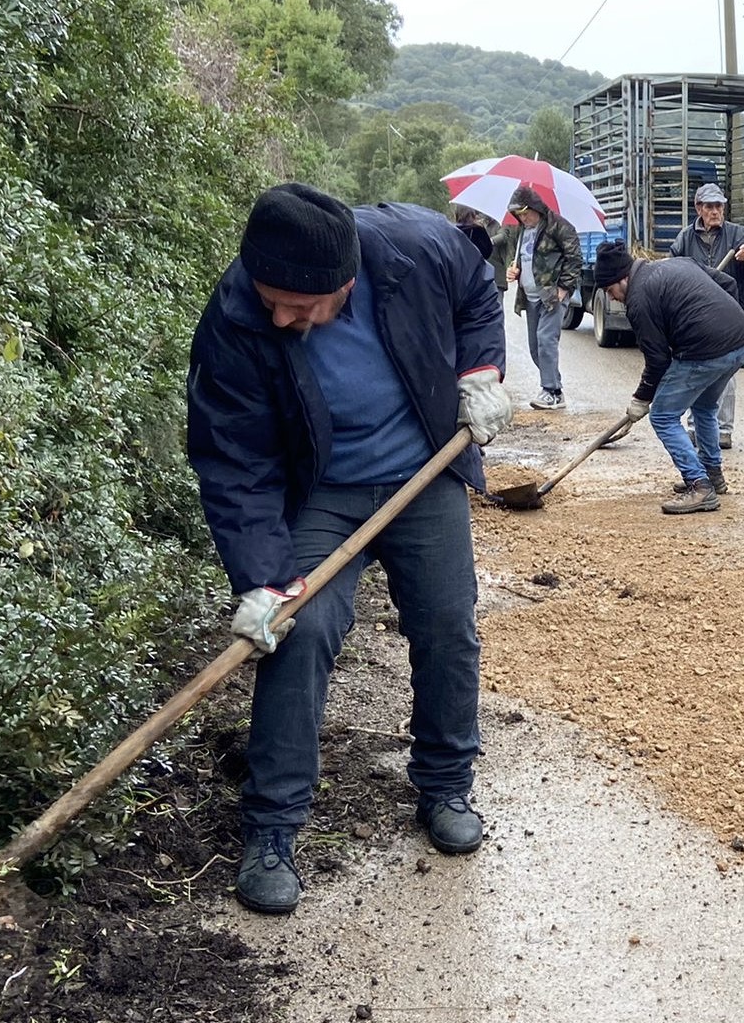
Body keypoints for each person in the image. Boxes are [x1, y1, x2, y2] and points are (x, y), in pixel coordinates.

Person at [186, 183, 515, 914]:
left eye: (300, 308)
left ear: (346, 282)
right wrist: (263, 579)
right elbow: (233, 458)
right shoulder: (239, 315)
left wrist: (479, 372)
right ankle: (272, 827)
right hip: (322, 494)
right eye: (272, 301)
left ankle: (444, 784)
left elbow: (477, 291)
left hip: (421, 471)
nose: (281, 317)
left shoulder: (416, 248)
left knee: (446, 625)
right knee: (295, 638)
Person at [593, 240, 744, 514]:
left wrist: (641, 399)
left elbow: (657, 360)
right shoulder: (678, 263)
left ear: (623, 278)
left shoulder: (638, 300)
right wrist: (723, 320)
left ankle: (699, 485)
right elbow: (728, 284)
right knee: (704, 406)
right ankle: (712, 474)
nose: (611, 298)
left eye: (610, 290)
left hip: (707, 350)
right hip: (739, 341)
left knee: (663, 417)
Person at [669, 183, 744, 449]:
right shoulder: (684, 239)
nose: (715, 211)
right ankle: (695, 427)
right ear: (699, 209)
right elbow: (671, 268)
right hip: (695, 316)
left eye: (719, 206)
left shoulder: (738, 234)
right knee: (697, 370)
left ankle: (723, 430)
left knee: (725, 373)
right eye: (709, 206)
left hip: (730, 313)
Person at [504, 185, 580, 411]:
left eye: (526, 213)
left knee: (546, 340)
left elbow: (574, 258)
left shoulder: (559, 226)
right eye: (519, 215)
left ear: (536, 208)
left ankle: (551, 391)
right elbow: (523, 259)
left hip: (552, 295)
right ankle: (555, 388)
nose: (524, 218)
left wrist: (564, 288)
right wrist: (513, 270)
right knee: (535, 347)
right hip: (530, 296)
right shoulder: (522, 231)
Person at [453, 205, 508, 293]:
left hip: (495, 272)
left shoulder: (498, 224)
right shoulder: (476, 227)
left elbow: (503, 236)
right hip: (473, 276)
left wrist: (489, 241)